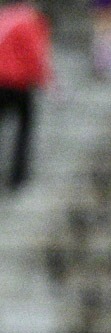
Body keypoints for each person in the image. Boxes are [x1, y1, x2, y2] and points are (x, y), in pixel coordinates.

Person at [0, 0, 51, 191]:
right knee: (24, 128)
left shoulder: (3, 16)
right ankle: (17, 175)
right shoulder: (29, 19)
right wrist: (44, 79)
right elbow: (34, 52)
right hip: (18, 83)